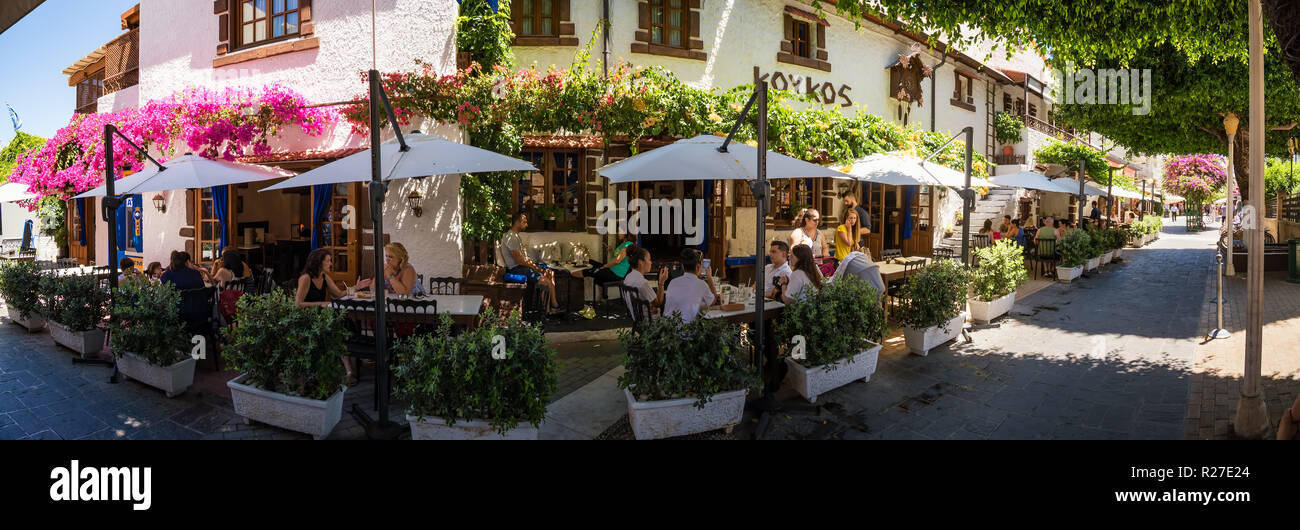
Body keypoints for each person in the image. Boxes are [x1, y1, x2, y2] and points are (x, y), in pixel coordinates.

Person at [499, 213, 558, 312]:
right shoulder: (511, 237)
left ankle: (554, 304)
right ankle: (546, 312)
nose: (526, 225)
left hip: (522, 265)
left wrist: (533, 264)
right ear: (517, 223)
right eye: (524, 222)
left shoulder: (516, 236)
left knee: (549, 272)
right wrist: (535, 268)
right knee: (546, 282)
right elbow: (519, 261)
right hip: (516, 269)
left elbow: (524, 257)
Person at [662, 248, 717, 324]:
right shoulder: (701, 284)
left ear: (683, 266)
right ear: (698, 267)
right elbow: (713, 302)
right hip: (687, 333)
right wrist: (710, 278)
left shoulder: (673, 282)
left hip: (668, 330)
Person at [356, 242, 423, 296]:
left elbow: (404, 294)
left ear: (400, 258)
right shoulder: (385, 267)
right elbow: (372, 289)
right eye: (386, 256)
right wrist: (379, 274)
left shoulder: (408, 269)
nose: (387, 259)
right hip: (394, 304)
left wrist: (390, 275)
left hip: (414, 305)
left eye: (390, 257)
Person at [620, 245, 667, 318]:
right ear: (641, 262)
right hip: (647, 322)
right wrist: (661, 283)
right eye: (649, 259)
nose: (651, 263)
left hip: (636, 317)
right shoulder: (641, 282)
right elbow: (658, 303)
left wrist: (651, 307)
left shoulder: (628, 277)